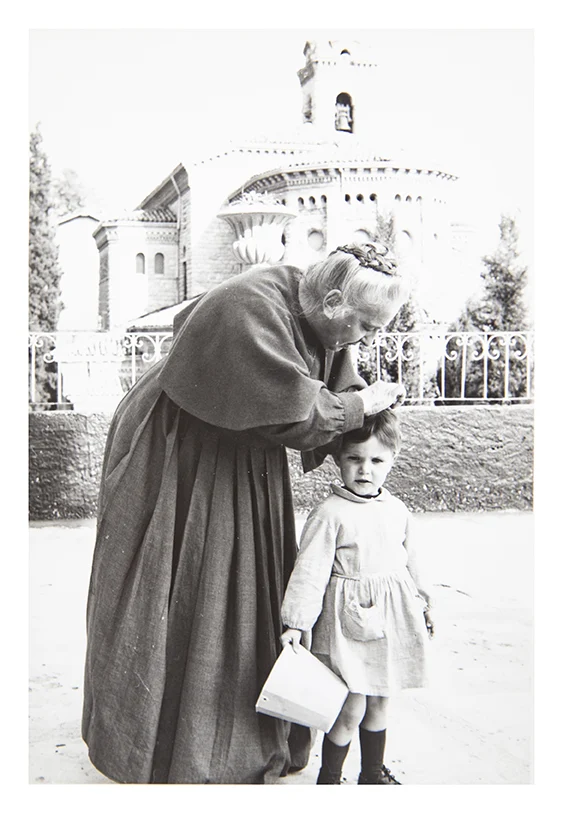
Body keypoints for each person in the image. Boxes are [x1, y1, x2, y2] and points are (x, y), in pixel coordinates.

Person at [82, 242, 410, 784]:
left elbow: (337, 387)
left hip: (242, 450)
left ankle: (230, 733)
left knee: (238, 584)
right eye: (367, 327)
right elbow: (300, 414)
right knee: (184, 578)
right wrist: (361, 405)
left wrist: (369, 418)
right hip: (181, 452)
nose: (368, 339)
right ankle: (168, 744)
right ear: (334, 302)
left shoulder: (321, 314)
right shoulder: (248, 306)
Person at [280, 409, 434, 785]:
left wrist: (424, 602)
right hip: (347, 627)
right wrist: (296, 623)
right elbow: (309, 572)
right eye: (355, 458)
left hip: (387, 623)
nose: (365, 470)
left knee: (380, 699)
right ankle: (330, 779)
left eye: (377, 461)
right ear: (339, 459)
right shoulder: (330, 514)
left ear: (393, 459)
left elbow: (412, 562)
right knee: (350, 707)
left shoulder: (396, 510)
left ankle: (371, 775)